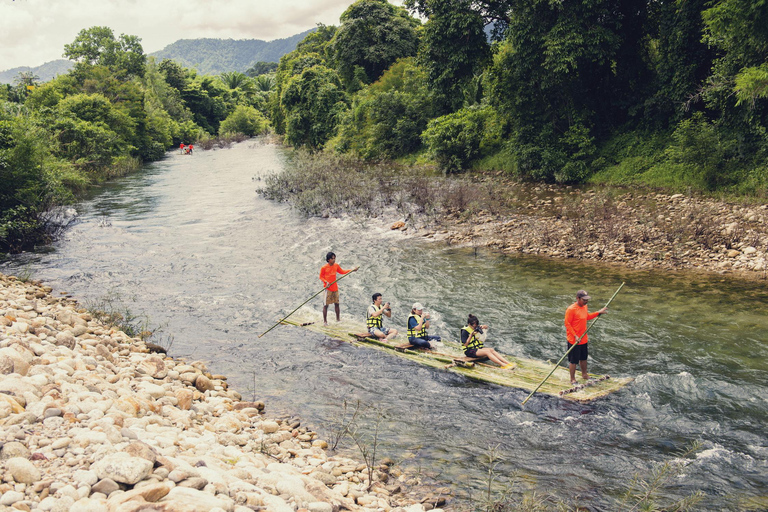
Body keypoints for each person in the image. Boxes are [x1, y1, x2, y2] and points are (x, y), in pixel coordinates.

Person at [564, 289, 607, 384]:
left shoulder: (585, 307)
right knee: (573, 360)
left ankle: (584, 374)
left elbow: (586, 317)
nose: (586, 301)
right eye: (584, 300)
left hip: (583, 338)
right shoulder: (571, 309)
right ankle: (572, 379)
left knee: (583, 358)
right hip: (574, 340)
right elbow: (567, 324)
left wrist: (598, 313)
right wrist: (575, 336)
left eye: (587, 299)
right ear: (578, 298)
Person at [319, 252, 358, 325]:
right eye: (332, 258)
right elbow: (321, 277)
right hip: (328, 289)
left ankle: (338, 319)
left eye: (334, 258)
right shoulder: (324, 268)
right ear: (328, 259)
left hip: (335, 288)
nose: (334, 260)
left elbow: (342, 272)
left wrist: (351, 270)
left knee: (337, 304)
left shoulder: (336, 266)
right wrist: (326, 282)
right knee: (326, 305)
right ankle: (325, 321)